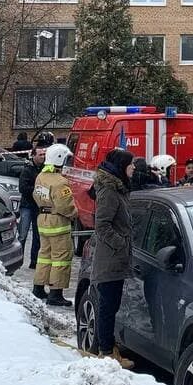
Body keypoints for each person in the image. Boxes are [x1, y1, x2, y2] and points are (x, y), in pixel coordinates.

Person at [88, 148, 134, 367]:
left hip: (116, 258)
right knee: (108, 305)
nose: (133, 168)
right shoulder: (109, 191)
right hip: (110, 259)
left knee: (111, 305)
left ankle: (105, 346)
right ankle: (106, 352)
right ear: (121, 167)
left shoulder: (119, 189)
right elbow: (102, 225)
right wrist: (120, 243)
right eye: (130, 164)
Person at [32, 143, 76, 306]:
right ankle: (55, 294)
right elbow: (66, 205)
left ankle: (38, 288)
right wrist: (74, 214)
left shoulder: (40, 177)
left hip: (42, 219)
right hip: (58, 222)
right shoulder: (60, 182)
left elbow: (35, 195)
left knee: (44, 256)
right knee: (61, 258)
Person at [17, 146, 47, 268]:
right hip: (27, 206)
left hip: (38, 206)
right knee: (23, 234)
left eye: (44, 155)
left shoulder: (45, 169)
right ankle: (18, 260)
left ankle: (34, 261)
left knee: (37, 235)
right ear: (33, 156)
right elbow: (22, 188)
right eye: (40, 155)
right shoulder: (27, 170)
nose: (43, 157)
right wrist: (37, 190)